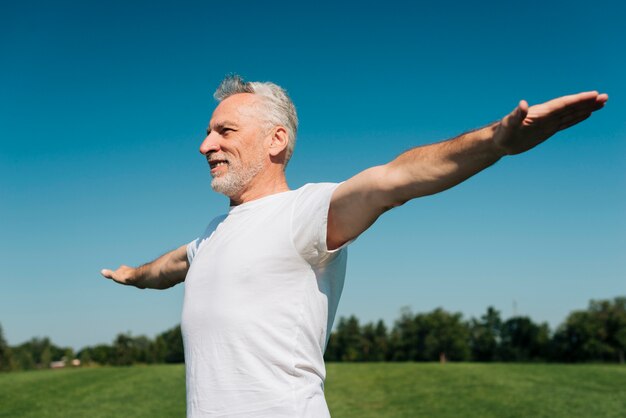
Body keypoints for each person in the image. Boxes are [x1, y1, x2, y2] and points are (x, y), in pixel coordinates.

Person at [101, 75, 608, 417]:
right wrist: (133, 274)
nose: (205, 145)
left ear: (276, 140)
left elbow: (396, 179)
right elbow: (170, 265)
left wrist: (496, 141)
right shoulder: (211, 235)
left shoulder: (303, 213)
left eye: (224, 130)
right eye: (207, 132)